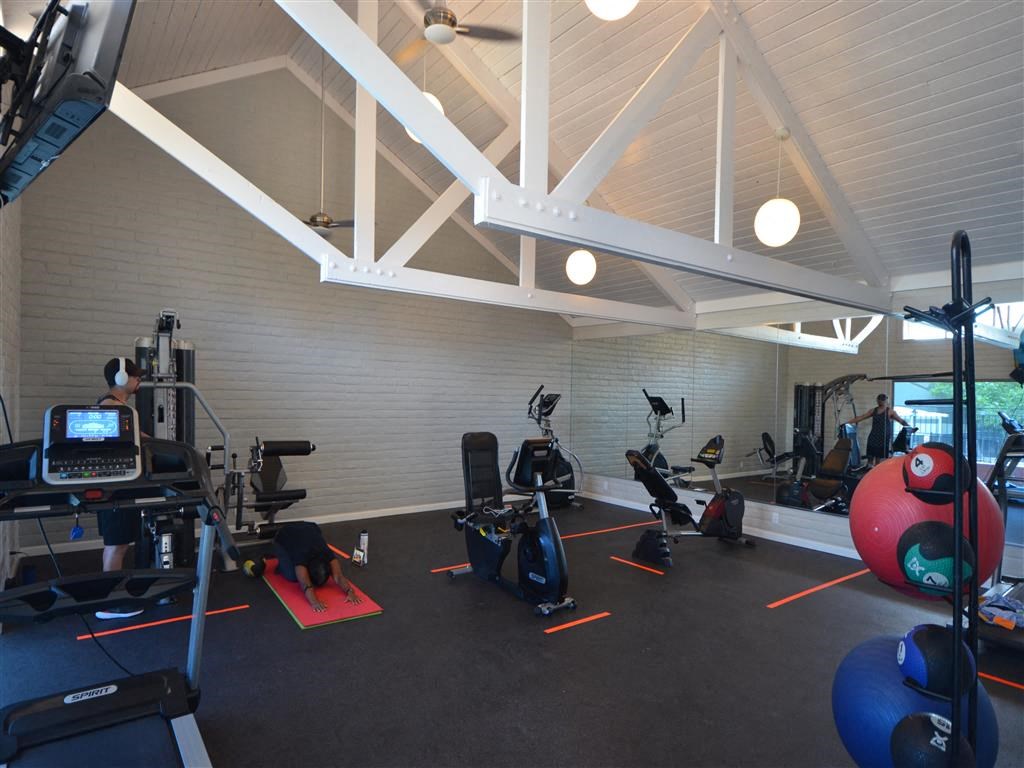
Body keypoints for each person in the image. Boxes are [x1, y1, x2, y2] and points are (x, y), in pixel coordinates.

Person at [95, 357, 148, 619]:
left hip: (119, 486)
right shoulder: (111, 407)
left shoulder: (118, 408)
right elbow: (135, 440)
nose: (139, 381)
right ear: (121, 378)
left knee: (118, 545)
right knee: (116, 545)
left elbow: (138, 437)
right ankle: (109, 604)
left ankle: (112, 593)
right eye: (136, 376)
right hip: (114, 488)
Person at [273, 521, 362, 612]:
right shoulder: (301, 558)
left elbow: (338, 576)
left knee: (298, 571)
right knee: (292, 576)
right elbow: (305, 584)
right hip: (283, 535)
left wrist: (350, 592)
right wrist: (314, 602)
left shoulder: (327, 553)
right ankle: (282, 565)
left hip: (308, 527)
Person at [844, 394, 911, 467]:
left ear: (886, 401)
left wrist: (909, 428)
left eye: (882, 400)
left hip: (883, 438)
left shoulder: (890, 411)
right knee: (870, 457)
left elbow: (901, 421)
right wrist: (846, 423)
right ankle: (869, 468)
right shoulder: (873, 410)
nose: (880, 402)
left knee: (879, 460)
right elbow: (861, 417)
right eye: (879, 400)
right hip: (873, 436)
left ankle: (876, 472)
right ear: (877, 401)